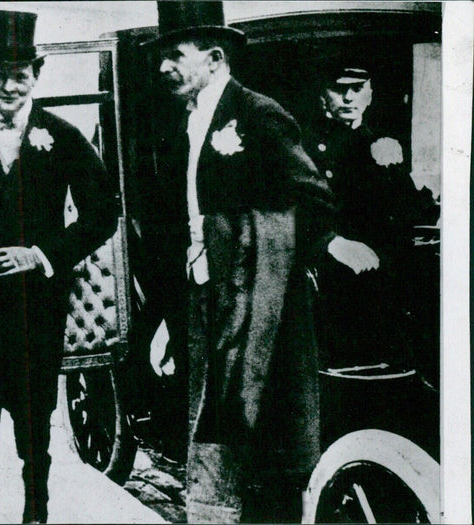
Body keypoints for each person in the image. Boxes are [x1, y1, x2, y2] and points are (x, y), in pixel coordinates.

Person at [144, 3, 342, 522]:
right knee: (214, 430)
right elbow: (176, 225)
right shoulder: (177, 125)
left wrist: (243, 245)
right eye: (161, 56)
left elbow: (314, 202)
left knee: (268, 449)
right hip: (207, 308)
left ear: (214, 58)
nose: (163, 68)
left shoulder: (257, 114)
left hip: (266, 320)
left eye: (174, 56)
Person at [0, 10, 117, 523]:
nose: (8, 87)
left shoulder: (63, 136)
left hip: (36, 317)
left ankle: (37, 516)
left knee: (34, 441)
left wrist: (43, 253)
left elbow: (103, 213)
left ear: (37, 75)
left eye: (20, 76)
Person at [304, 63, 440, 444]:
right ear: (322, 97)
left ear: (370, 94)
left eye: (357, 88)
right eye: (338, 88)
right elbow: (293, 211)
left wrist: (398, 173)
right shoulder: (304, 146)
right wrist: (331, 242)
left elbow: (409, 213)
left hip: (381, 283)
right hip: (330, 278)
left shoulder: (382, 144)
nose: (348, 97)